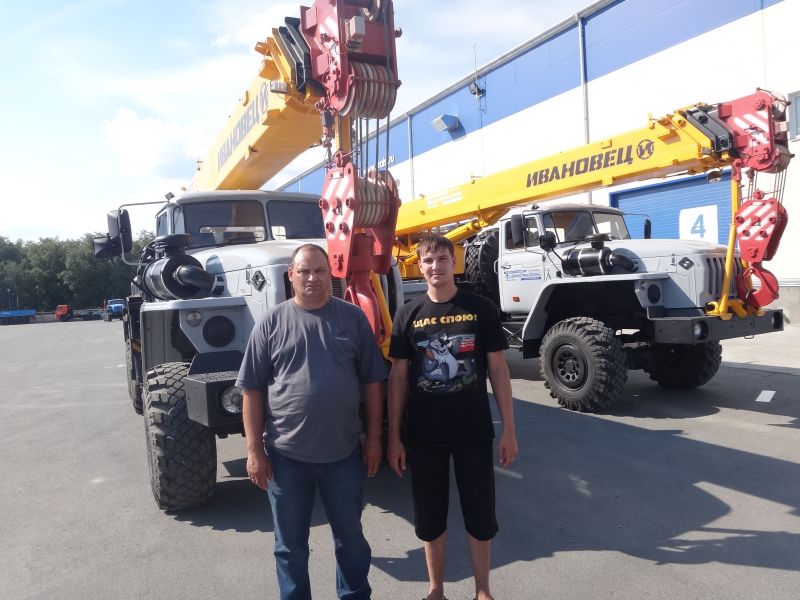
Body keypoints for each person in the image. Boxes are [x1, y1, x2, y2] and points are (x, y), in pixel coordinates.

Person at [236, 243, 387, 600]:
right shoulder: (271, 323)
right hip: (286, 458)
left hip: (344, 454)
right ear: (291, 275)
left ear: (330, 274)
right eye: (304, 271)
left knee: (351, 540)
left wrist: (375, 439)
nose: (312, 278)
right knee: (290, 547)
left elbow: (373, 382)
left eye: (319, 271)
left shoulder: (353, 319)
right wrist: (254, 451)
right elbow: (252, 390)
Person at [387, 234, 518, 600]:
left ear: (454, 261)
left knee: (480, 515)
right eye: (428, 261)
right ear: (419, 265)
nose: (436, 267)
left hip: (473, 433)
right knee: (430, 518)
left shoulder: (481, 309)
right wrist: (394, 437)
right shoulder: (408, 314)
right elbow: (398, 379)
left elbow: (498, 370)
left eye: (442, 259)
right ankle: (436, 589)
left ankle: (482, 590)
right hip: (424, 436)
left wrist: (509, 429)